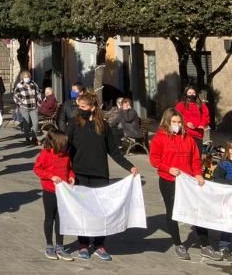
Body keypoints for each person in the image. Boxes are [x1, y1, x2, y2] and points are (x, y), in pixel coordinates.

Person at [66, 90, 138, 261]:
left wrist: (130, 167)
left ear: (92, 107)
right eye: (78, 106)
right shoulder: (74, 124)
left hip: (100, 174)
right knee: (83, 211)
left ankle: (99, 244)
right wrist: (66, 172)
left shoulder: (103, 126)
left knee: (100, 211)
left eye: (83, 106)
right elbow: (66, 150)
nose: (79, 109)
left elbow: (113, 151)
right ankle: (83, 243)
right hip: (79, 174)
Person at [149, 108, 221, 261]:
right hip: (169, 181)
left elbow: (195, 160)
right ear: (167, 122)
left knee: (197, 211)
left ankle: (205, 246)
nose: (177, 125)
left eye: (179, 122)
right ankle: (178, 244)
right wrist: (168, 168)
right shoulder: (159, 138)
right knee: (173, 212)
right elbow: (154, 160)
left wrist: (198, 174)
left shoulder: (188, 139)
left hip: (189, 182)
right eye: (174, 122)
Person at [33, 127, 76, 261]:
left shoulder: (66, 154)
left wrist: (71, 176)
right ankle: (49, 245)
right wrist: (51, 176)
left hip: (63, 193)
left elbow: (69, 169)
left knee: (61, 219)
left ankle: (60, 246)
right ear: (56, 143)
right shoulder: (46, 153)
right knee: (49, 218)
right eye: (63, 143)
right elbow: (37, 169)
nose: (65, 145)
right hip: (50, 191)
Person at [174, 86, 209, 153]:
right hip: (185, 133)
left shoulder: (201, 105)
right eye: (189, 93)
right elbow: (176, 117)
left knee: (197, 155)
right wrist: (186, 123)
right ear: (186, 94)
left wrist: (202, 125)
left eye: (193, 93)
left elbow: (206, 116)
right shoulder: (180, 105)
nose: (192, 95)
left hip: (198, 134)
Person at [14, 71, 42, 145]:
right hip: (24, 107)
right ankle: (27, 138)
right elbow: (15, 96)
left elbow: (38, 93)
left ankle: (34, 138)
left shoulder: (33, 84)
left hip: (33, 106)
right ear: (22, 78)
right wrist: (20, 103)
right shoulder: (19, 85)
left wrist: (38, 101)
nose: (27, 78)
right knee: (27, 123)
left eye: (28, 77)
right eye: (25, 77)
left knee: (35, 122)